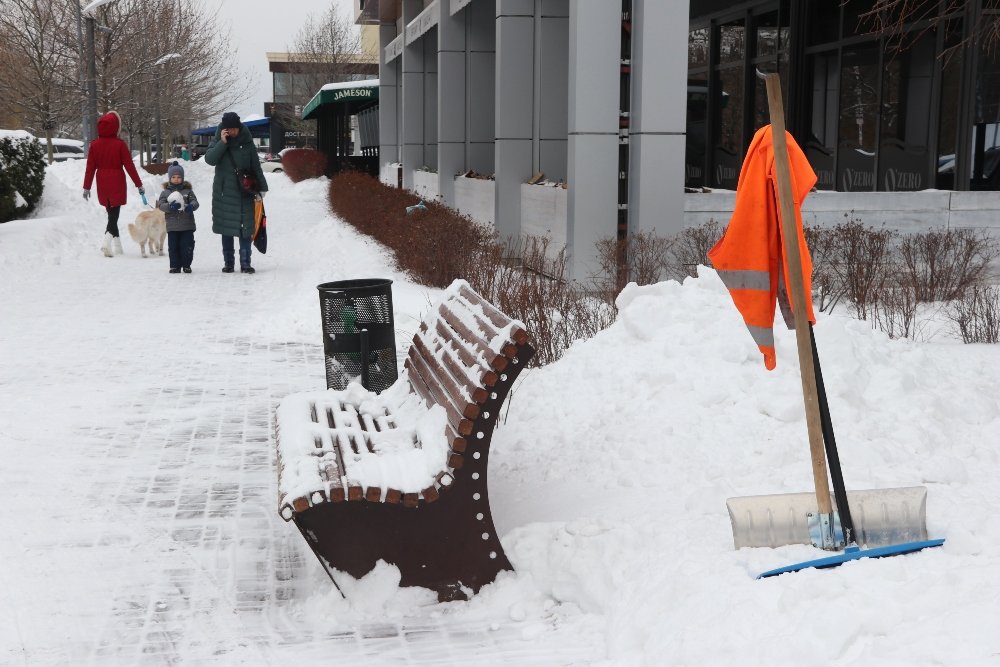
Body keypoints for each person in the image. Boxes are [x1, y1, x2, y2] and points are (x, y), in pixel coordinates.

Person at [204, 112, 268, 274]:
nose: (231, 131)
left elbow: (256, 165)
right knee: (227, 229)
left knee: (245, 229)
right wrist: (222, 143)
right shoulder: (218, 140)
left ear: (239, 127)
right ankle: (229, 263)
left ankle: (246, 263)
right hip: (224, 193)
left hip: (245, 191)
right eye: (228, 129)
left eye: (234, 128)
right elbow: (210, 159)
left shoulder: (247, 142)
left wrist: (262, 187)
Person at [82, 110, 145, 257]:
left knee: (111, 214)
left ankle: (118, 247)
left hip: (102, 181)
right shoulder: (120, 145)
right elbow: (130, 166)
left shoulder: (94, 145)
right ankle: (106, 243)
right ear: (116, 127)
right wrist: (139, 184)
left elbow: (90, 168)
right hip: (117, 180)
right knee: (114, 215)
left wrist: (86, 187)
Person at [157, 161, 199, 274]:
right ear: (170, 178)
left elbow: (195, 202)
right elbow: (161, 205)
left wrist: (191, 206)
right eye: (174, 177)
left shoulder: (188, 191)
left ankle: (186, 265)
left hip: (187, 225)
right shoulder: (165, 193)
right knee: (173, 247)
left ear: (183, 178)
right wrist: (170, 207)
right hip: (172, 226)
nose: (176, 179)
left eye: (179, 177)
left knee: (187, 246)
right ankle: (174, 266)